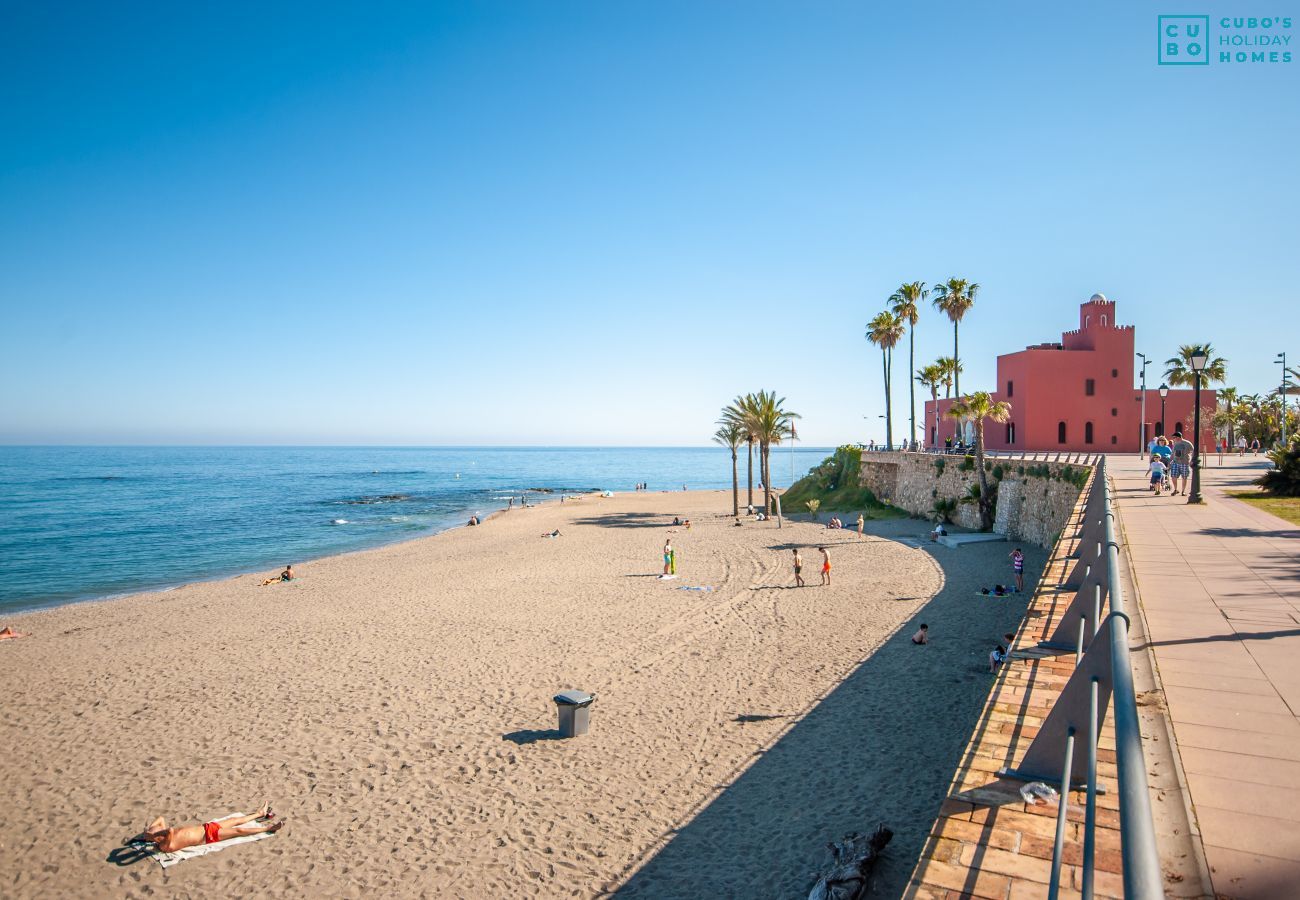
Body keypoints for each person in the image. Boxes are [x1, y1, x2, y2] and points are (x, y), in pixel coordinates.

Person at [138, 803, 283, 853]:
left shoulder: (161, 836)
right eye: (156, 833)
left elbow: (161, 819)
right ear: (156, 839)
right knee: (239, 831)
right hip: (208, 837)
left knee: (236, 819)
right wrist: (150, 835)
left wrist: (149, 831)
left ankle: (260, 813)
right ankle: (268, 829)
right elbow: (168, 831)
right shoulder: (165, 845)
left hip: (206, 827)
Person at [1169, 430, 1194, 496]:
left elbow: (1193, 451)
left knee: (1184, 477)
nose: (1173, 439)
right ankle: (1175, 489)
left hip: (1184, 463)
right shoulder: (1175, 443)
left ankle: (1183, 491)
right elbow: (1172, 453)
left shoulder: (1187, 443)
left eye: (1174, 437)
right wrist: (1169, 461)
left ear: (1178, 437)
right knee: (1173, 476)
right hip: (1175, 462)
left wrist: (1192, 460)